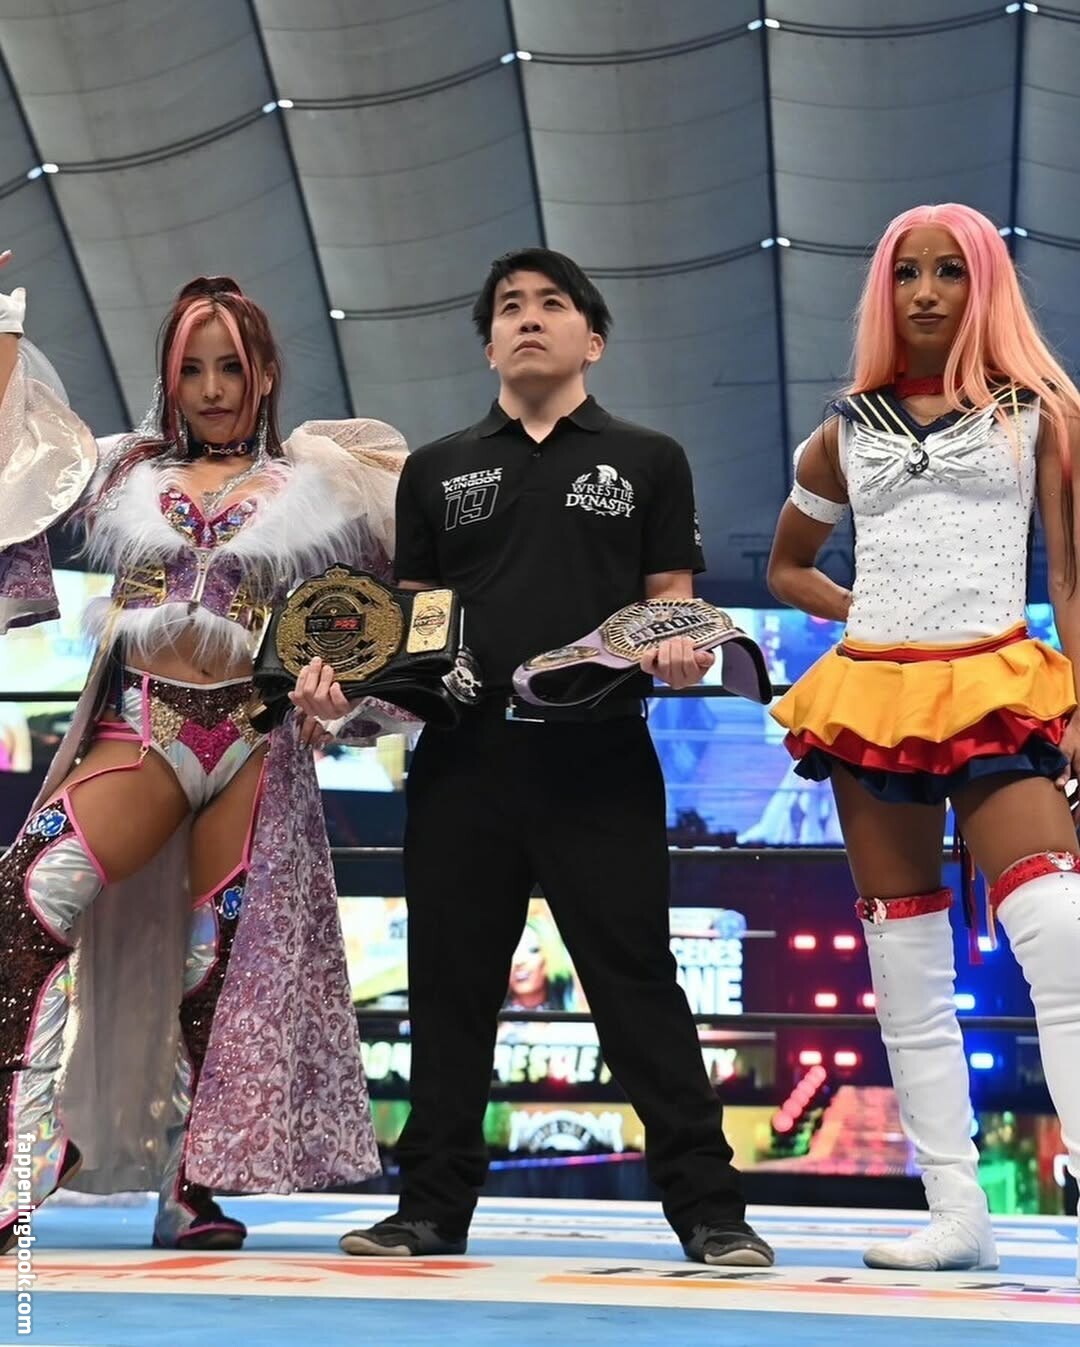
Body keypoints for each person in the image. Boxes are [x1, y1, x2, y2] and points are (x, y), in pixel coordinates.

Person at [296, 246, 775, 1267]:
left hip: (601, 763)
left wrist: (684, 652)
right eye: (508, 306)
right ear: (488, 348)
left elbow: (672, 604)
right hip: (462, 768)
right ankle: (430, 1210)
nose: (526, 317)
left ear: (591, 338)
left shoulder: (650, 458)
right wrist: (344, 694)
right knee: (449, 991)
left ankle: (712, 1212)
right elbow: (412, 635)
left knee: (638, 986)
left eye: (551, 304)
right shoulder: (436, 470)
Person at [0, 263, 407, 1252]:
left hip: (259, 744)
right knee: (27, 896)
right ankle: (29, 1149)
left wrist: (343, 697)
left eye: (233, 367)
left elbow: (391, 623)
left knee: (218, 962)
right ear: (168, 377)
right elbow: (12, 457)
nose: (215, 389)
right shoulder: (119, 468)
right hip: (142, 728)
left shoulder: (328, 482)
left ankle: (193, 1185)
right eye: (194, 369)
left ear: (266, 372)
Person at [767, 203, 1080, 1275]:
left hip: (999, 683)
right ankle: (956, 1210)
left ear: (984, 284)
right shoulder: (843, 430)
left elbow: (1070, 577)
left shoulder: (1042, 412)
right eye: (908, 273)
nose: (929, 292)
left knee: (1058, 924)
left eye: (951, 271)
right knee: (904, 961)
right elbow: (788, 566)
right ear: (885, 291)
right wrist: (864, 611)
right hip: (875, 699)